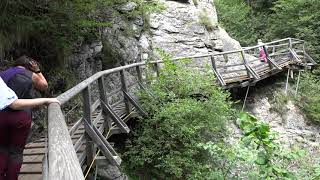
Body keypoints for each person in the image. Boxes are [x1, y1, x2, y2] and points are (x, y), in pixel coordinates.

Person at [0, 55, 52, 180]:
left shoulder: (2, 74)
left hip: (1, 115)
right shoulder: (29, 74)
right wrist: (38, 71)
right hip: (21, 115)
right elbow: (44, 86)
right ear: (29, 67)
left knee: (1, 148)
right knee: (16, 152)